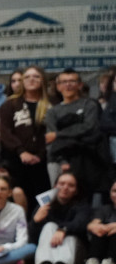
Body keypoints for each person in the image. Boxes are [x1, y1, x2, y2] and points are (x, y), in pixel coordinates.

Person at [44, 67, 105, 196]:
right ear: (58, 86)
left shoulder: (89, 105)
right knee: (58, 199)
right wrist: (62, 161)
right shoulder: (52, 112)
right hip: (59, 162)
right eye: (64, 82)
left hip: (87, 159)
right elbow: (50, 141)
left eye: (72, 81)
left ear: (80, 85)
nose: (68, 85)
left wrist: (59, 135)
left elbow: (90, 128)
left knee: (86, 199)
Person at [0, 65, 51, 200]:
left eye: (36, 76)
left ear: (42, 80)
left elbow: (54, 132)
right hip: (16, 161)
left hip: (44, 161)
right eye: (27, 77)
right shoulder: (10, 104)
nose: (31, 80)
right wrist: (21, 151)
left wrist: (40, 154)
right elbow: (4, 131)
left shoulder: (52, 104)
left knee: (44, 199)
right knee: (19, 196)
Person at [32, 171, 91, 264]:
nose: (65, 187)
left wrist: (63, 229)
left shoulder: (83, 206)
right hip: (50, 249)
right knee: (49, 226)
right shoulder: (44, 205)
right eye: (62, 184)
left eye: (71, 185)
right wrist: (35, 222)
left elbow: (80, 224)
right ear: (55, 186)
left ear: (76, 190)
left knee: (70, 235)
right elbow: (32, 238)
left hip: (75, 251)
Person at [79, 179, 116, 264]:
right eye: (114, 191)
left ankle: (112, 263)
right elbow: (92, 224)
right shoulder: (104, 209)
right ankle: (93, 261)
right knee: (99, 230)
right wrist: (100, 227)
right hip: (104, 246)